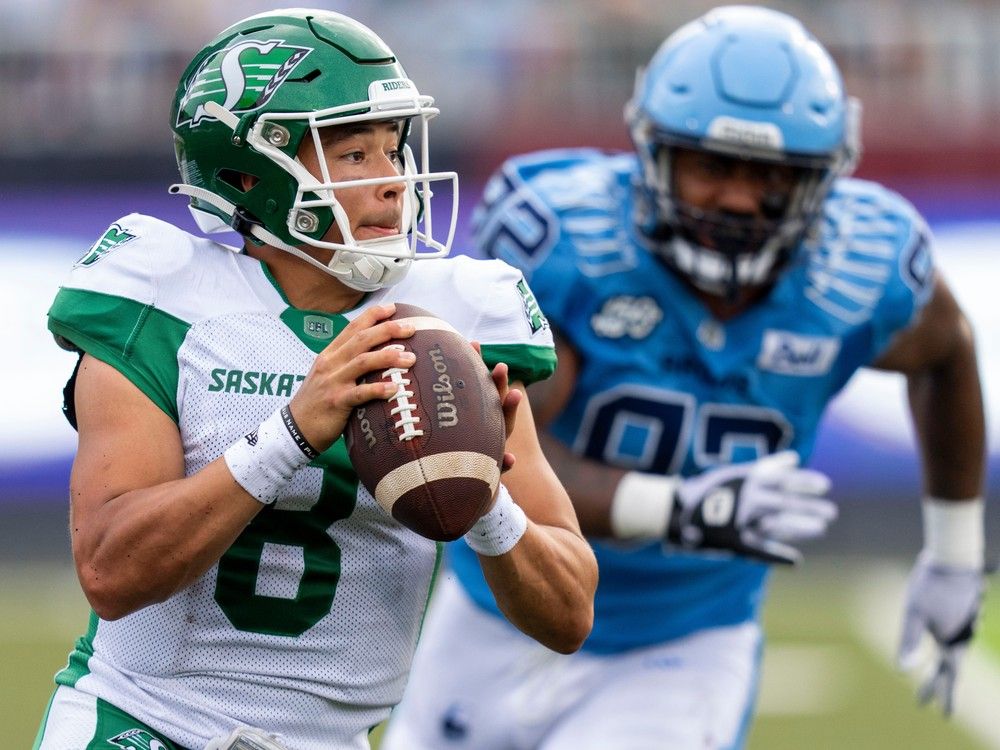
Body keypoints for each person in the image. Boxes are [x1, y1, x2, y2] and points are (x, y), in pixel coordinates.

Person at [382, 6, 987, 749]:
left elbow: (946, 353)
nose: (736, 199)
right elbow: (505, 458)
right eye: (710, 166)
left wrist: (955, 553)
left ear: (821, 181)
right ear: (651, 154)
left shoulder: (867, 267)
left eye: (768, 175)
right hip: (502, 605)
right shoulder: (571, 244)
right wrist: (680, 508)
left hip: (685, 644)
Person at [34, 9, 599, 750]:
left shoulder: (452, 325)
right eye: (353, 154)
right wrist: (289, 435)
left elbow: (569, 615)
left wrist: (486, 500)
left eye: (393, 149)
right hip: (143, 726)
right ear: (250, 173)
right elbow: (110, 570)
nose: (394, 181)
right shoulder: (164, 299)